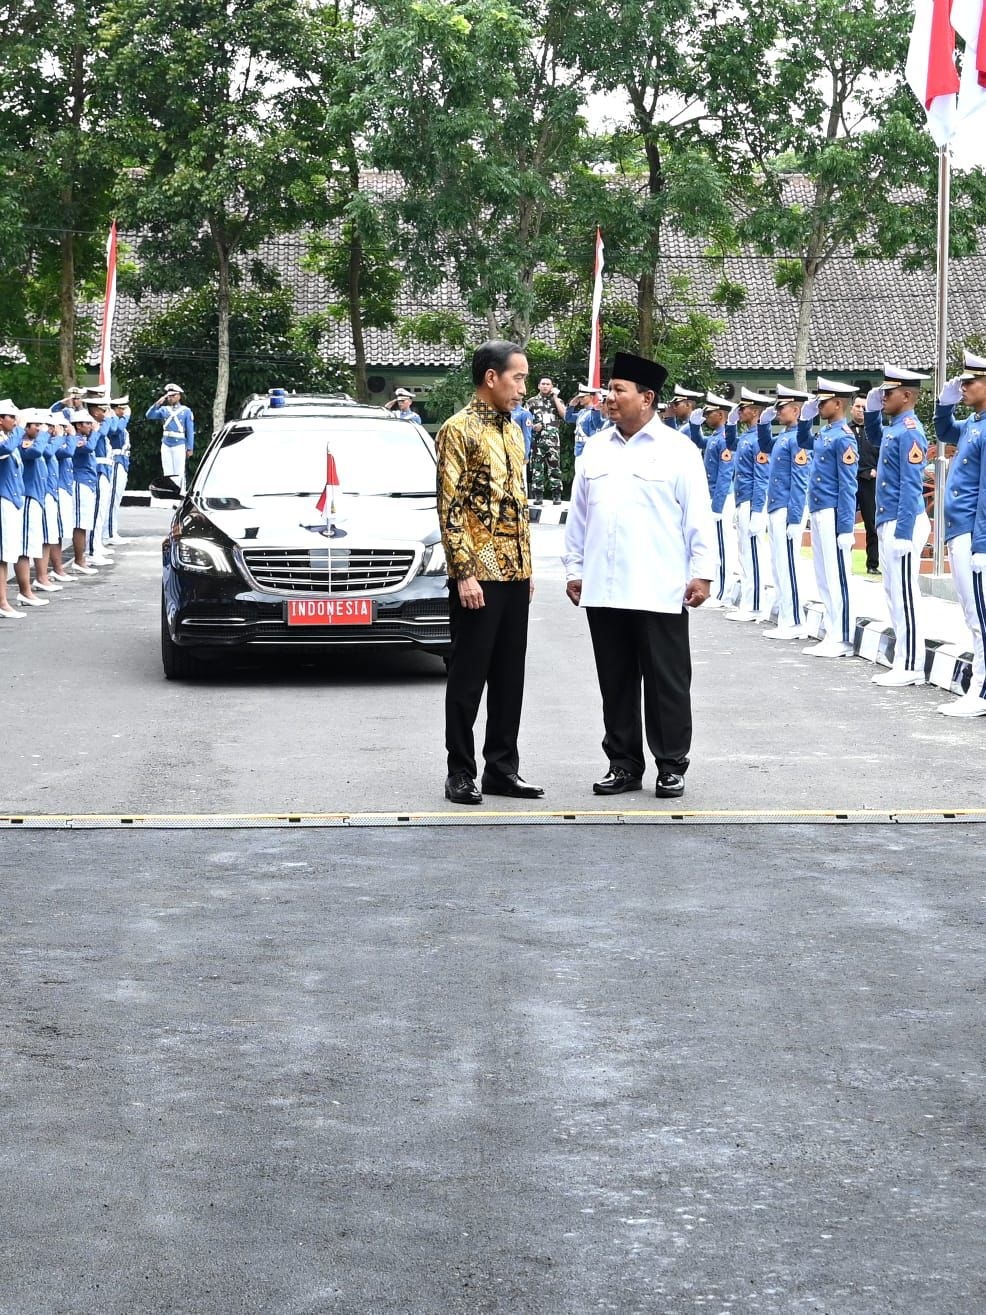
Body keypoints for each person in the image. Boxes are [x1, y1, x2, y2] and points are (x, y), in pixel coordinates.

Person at [563, 352, 716, 800]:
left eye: (619, 390)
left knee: (667, 681)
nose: (610, 398)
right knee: (616, 682)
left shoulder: (677, 450)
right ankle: (623, 764)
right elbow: (579, 517)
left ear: (647, 398)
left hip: (658, 585)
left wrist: (703, 574)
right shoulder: (595, 448)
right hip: (604, 588)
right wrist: (575, 569)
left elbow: (698, 518)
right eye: (610, 390)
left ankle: (671, 764)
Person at [436, 340, 541, 805]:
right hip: (478, 575)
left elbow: (518, 506)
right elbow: (449, 507)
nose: (523, 388)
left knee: (508, 677)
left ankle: (502, 768)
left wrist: (529, 568)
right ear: (491, 377)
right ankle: (460, 770)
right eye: (517, 378)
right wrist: (463, 572)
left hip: (515, 573)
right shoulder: (458, 430)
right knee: (468, 676)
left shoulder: (515, 431)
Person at [863, 365, 931, 687]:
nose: (883, 396)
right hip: (889, 519)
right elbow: (875, 437)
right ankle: (903, 658)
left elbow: (910, 486)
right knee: (893, 592)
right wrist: (874, 409)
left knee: (905, 594)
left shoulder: (910, 431)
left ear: (907, 395)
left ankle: (912, 663)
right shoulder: (894, 428)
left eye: (888, 393)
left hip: (903, 522)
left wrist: (903, 533)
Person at [933, 350, 986, 716]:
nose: (963, 387)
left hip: (972, 531)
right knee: (972, 613)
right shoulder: (972, 423)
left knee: (981, 616)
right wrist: (944, 404)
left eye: (970, 383)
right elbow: (943, 431)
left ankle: (980, 692)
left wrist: (982, 542)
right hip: (958, 529)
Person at [797, 377, 859, 657]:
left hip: (834, 512)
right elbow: (802, 441)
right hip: (820, 508)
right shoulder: (825, 433)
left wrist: (846, 527)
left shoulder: (844, 436)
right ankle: (833, 630)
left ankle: (843, 636)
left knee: (838, 576)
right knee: (823, 574)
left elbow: (848, 485)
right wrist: (804, 419)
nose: (819, 406)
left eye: (823, 402)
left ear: (838, 403)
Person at [757, 386, 812, 639]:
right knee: (779, 564)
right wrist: (763, 423)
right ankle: (786, 617)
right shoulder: (785, 436)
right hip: (776, 505)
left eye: (782, 408)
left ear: (796, 410)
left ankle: (795, 622)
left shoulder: (799, 439)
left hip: (788, 508)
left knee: (788, 565)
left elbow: (800, 481)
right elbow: (766, 446)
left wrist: (794, 517)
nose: (777, 412)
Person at [725, 387, 774, 622]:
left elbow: (761, 477)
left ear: (754, 411)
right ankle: (748, 600)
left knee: (753, 553)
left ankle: (755, 604)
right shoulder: (747, 437)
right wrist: (731, 424)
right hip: (742, 498)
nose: (739, 411)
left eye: (742, 408)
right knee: (745, 554)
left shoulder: (758, 441)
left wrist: (757, 511)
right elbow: (731, 444)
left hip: (752, 501)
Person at [694, 392, 736, 608]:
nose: (706, 417)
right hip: (713, 496)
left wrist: (717, 506)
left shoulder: (726, 439)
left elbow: (725, 475)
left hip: (722, 498)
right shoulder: (716, 437)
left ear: (720, 415)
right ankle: (719, 589)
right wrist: (694, 426)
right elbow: (699, 441)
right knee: (714, 546)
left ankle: (722, 592)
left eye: (709, 413)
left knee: (722, 546)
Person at [0, 400, 28, 618]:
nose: (16, 422)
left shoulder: (9, 437)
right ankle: (2, 603)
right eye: (12, 418)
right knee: (1, 555)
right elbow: (7, 449)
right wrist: (19, 429)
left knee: (6, 554)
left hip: (12, 499)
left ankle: (3, 601)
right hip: (3, 499)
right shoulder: (7, 440)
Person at [146, 383, 194, 491]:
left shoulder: (186, 411)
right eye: (169, 396)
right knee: (167, 471)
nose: (170, 398)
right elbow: (149, 415)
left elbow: (190, 431)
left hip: (179, 443)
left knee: (179, 471)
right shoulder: (164, 410)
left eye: (173, 395)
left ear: (179, 396)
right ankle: (169, 494)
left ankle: (180, 493)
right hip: (166, 443)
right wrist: (158, 403)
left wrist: (190, 447)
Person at [851, 394, 880, 574]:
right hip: (850, 481)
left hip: (870, 481)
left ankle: (872, 564)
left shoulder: (876, 432)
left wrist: (877, 470)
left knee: (872, 524)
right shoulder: (845, 431)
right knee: (845, 522)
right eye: (857, 406)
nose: (861, 410)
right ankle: (844, 559)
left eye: (864, 407)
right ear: (851, 408)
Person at [525, 377, 566, 503]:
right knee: (537, 469)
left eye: (548, 384)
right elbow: (524, 421)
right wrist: (533, 427)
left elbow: (564, 415)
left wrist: (555, 398)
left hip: (553, 441)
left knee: (555, 468)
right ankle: (538, 496)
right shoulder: (531, 402)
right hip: (537, 441)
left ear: (552, 386)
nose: (545, 386)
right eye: (543, 384)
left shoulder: (557, 401)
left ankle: (557, 495)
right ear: (538, 386)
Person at [106, 396, 132, 545]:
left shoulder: (119, 421)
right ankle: (109, 532)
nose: (124, 411)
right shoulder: (114, 421)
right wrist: (125, 417)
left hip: (122, 460)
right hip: (115, 460)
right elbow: (116, 430)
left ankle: (111, 530)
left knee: (116, 499)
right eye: (121, 408)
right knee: (112, 499)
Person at [565, 387, 608, 459]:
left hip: (589, 451)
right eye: (579, 397)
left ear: (591, 397)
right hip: (578, 450)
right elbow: (568, 418)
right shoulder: (582, 412)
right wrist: (571, 406)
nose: (580, 399)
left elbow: (596, 429)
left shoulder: (596, 412)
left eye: (583, 397)